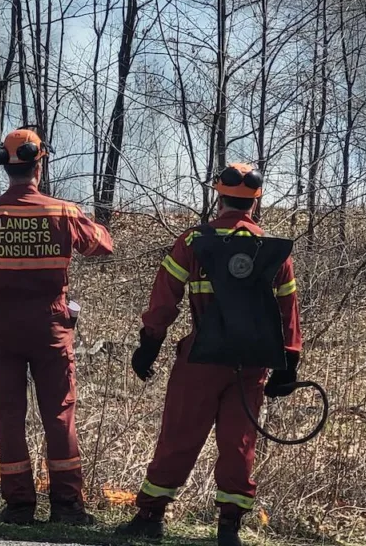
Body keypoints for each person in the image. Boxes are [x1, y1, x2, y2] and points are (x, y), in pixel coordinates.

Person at [117, 163, 302, 546]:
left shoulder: (192, 241)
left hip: (199, 359)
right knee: (239, 442)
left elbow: (165, 299)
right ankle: (229, 528)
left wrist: (149, 344)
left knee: (179, 436)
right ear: (256, 201)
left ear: (218, 195)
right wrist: (289, 361)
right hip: (250, 364)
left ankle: (151, 516)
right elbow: (288, 310)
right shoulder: (271, 251)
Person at [0, 128, 113, 525]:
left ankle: (18, 507)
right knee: (59, 415)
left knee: (8, 416)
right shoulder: (62, 212)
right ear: (38, 165)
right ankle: (66, 507)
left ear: (5, 167)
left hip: (2, 328)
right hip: (51, 328)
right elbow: (103, 245)